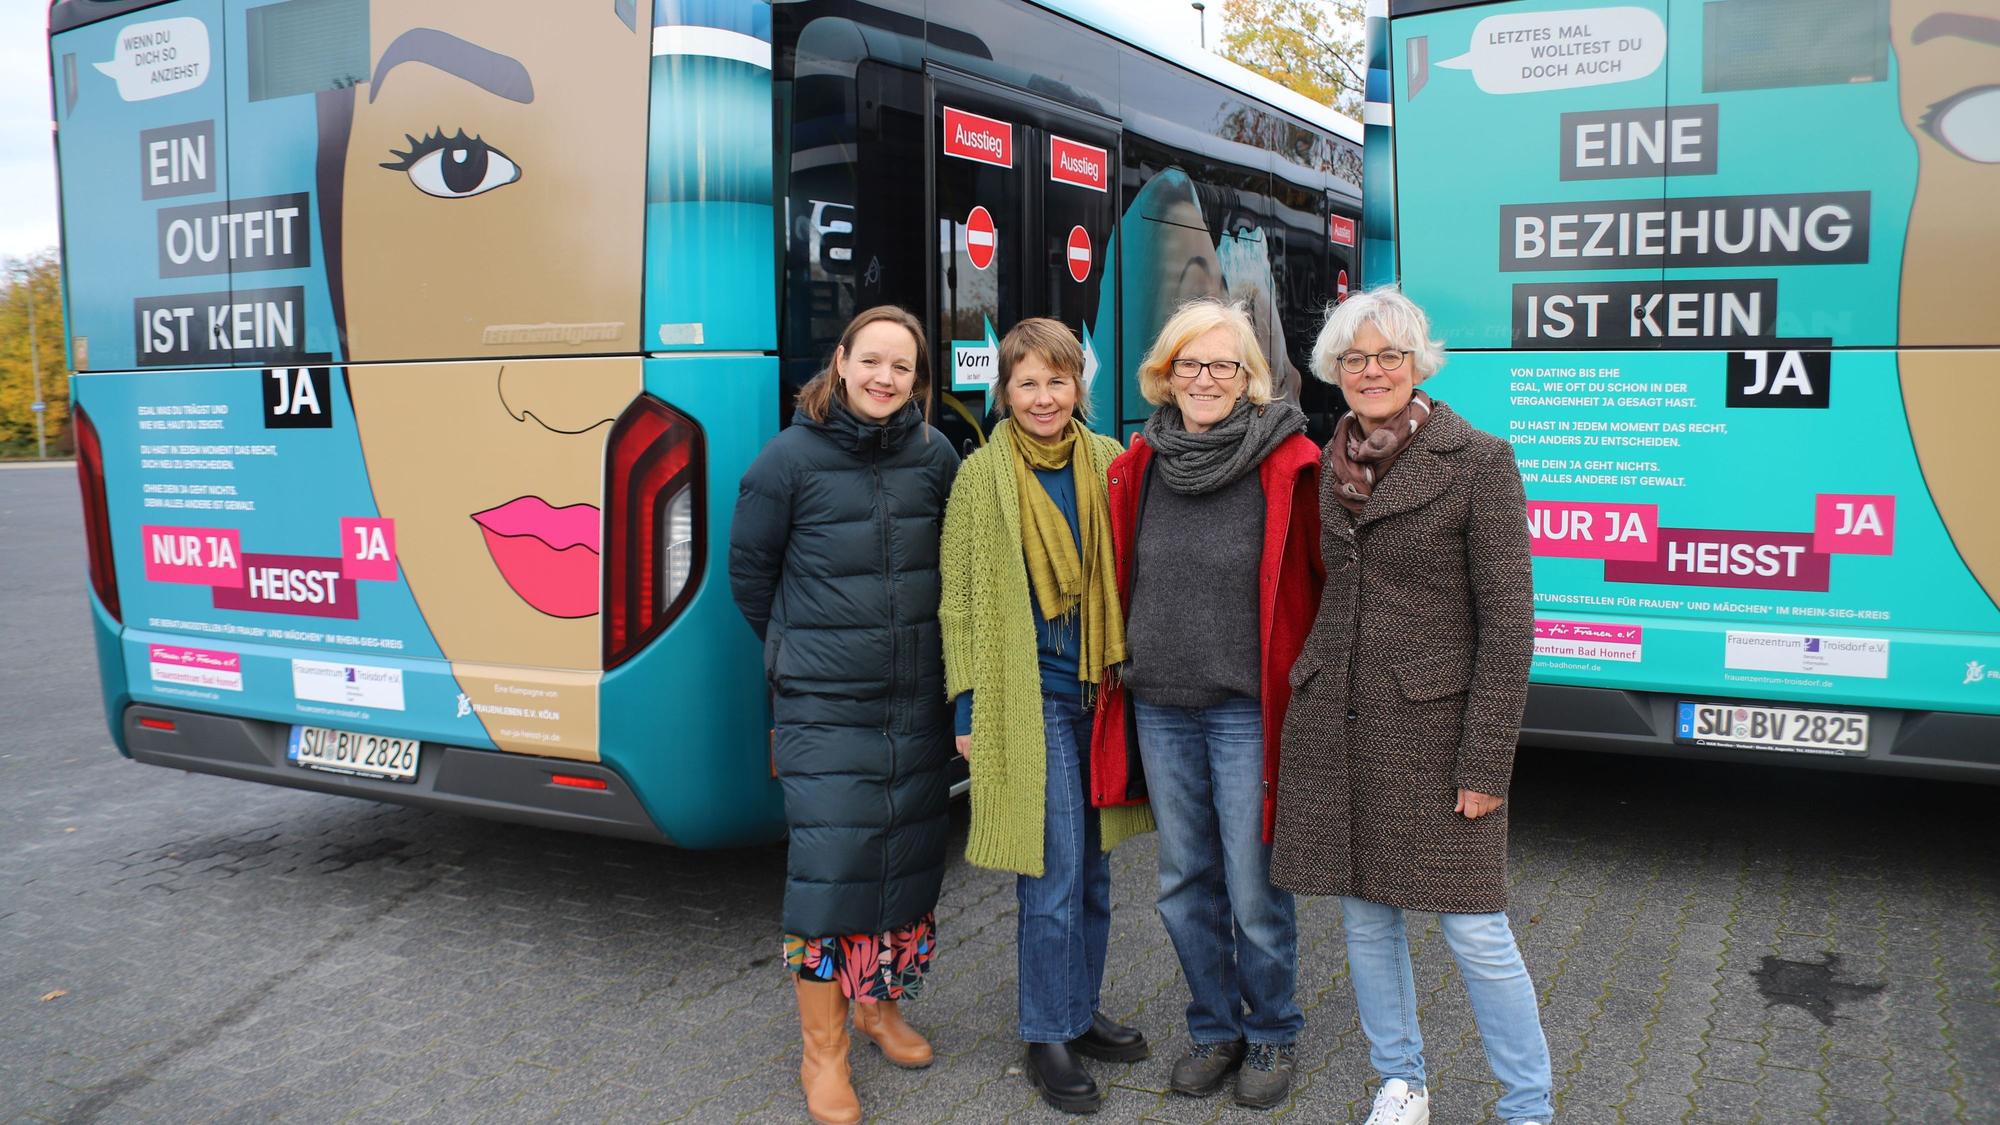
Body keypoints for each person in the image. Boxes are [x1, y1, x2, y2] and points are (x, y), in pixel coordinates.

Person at [1272, 288, 1550, 1125]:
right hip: (1344, 723)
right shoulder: (1334, 461)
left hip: (1437, 732)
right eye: (1355, 359)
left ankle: (1527, 1104)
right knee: (1366, 920)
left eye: (1390, 355)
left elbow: (1509, 626)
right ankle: (1401, 1081)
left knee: (1475, 929)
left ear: (1418, 362)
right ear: (1334, 371)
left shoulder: (1479, 459)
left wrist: (1485, 763)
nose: (1372, 372)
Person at [727, 306, 959, 1125]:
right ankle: (822, 1051)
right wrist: (804, 654)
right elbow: (750, 580)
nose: (885, 378)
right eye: (872, 361)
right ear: (841, 360)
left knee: (908, 857)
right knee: (832, 869)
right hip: (825, 706)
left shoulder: (935, 457)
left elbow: (956, 575)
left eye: (902, 367)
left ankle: (879, 1007)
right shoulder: (785, 461)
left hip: (916, 701)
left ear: (917, 380)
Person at [1088, 298, 1322, 1109]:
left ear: (1250, 377)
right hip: (1159, 702)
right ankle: (1215, 1027)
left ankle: (1272, 1033)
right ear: (1165, 374)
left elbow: (1319, 584)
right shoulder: (1141, 462)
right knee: (1184, 879)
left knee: (1254, 881)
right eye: (1190, 363)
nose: (1205, 378)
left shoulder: (1289, 462)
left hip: (1243, 708)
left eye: (1224, 364)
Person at [938, 319, 1156, 1113]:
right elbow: (958, 603)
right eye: (1026, 383)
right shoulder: (980, 476)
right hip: (1028, 700)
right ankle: (1045, 1032)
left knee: (1096, 869)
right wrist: (966, 705)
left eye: (1057, 382)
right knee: (1054, 870)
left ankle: (1079, 1007)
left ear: (1078, 389)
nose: (1042, 397)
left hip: (1102, 693)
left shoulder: (1110, 463)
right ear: (1005, 391)